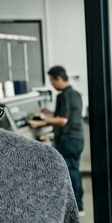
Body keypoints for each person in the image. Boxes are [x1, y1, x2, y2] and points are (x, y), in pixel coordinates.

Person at [31, 66, 85, 210]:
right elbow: (67, 116)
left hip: (68, 139)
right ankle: (78, 205)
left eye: (52, 81)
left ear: (59, 79)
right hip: (76, 138)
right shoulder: (75, 94)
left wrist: (40, 123)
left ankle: (76, 206)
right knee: (74, 169)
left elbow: (63, 120)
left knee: (70, 171)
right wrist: (50, 113)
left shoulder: (64, 95)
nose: (52, 84)